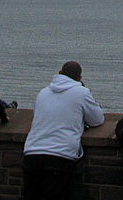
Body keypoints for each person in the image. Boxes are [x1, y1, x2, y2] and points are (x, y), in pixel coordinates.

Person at [23, 60, 105, 200]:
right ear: (80, 78)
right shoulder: (81, 92)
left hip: (32, 153)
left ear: (60, 73)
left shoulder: (43, 93)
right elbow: (97, 120)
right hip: (60, 155)